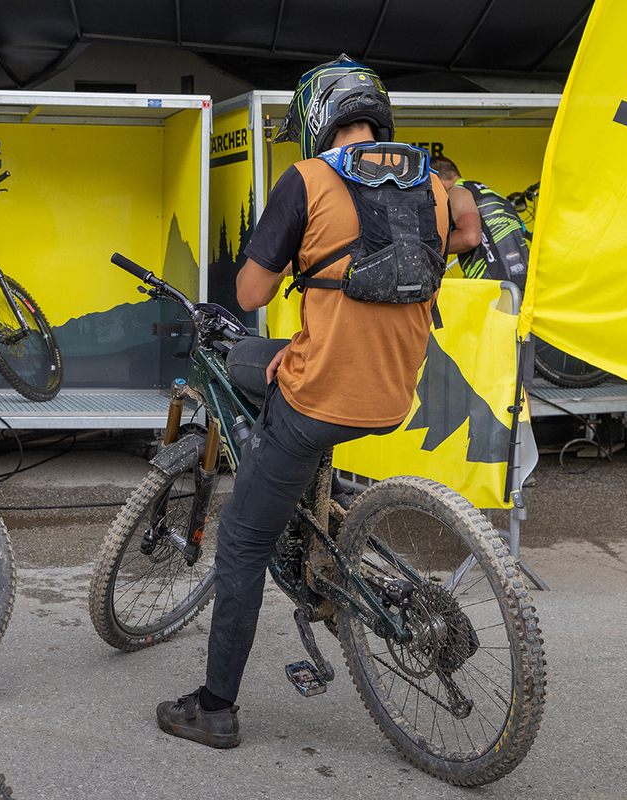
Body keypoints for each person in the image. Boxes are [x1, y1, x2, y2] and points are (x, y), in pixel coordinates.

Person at [156, 56, 450, 749]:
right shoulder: (434, 187)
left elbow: (252, 294)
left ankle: (215, 707)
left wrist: (304, 258)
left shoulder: (310, 180)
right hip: (392, 393)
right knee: (280, 371)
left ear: (318, 120)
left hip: (323, 398)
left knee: (242, 543)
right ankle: (318, 520)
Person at [431, 156, 531, 286]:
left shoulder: (456, 191)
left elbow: (469, 238)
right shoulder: (492, 195)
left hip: (498, 288)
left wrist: (427, 247)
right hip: (522, 285)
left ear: (436, 181)